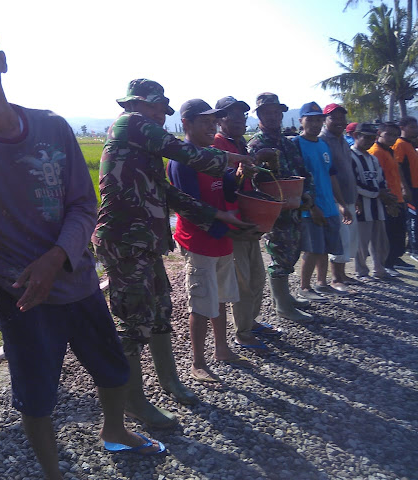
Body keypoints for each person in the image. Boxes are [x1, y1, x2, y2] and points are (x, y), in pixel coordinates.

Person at [0, 15, 164, 480]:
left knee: (112, 370)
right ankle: (53, 473)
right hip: (20, 296)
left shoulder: (51, 127)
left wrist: (57, 257)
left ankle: (115, 431)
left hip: (79, 280)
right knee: (36, 395)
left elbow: (83, 204)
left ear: (1, 60)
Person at [93, 80, 254, 428]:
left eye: (163, 112)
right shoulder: (130, 123)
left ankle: (170, 381)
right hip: (124, 241)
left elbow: (167, 193)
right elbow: (188, 154)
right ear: (141, 104)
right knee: (133, 322)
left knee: (161, 310)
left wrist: (215, 214)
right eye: (157, 109)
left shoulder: (142, 143)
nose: (160, 117)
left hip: (146, 240)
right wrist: (234, 156)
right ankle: (134, 402)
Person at [168, 99, 259, 383]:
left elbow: (228, 193)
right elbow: (192, 209)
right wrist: (230, 229)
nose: (211, 126)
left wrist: (241, 176)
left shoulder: (213, 155)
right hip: (199, 241)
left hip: (222, 239)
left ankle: (222, 349)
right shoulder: (181, 162)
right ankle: (198, 362)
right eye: (204, 122)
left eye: (213, 122)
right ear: (186, 124)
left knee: (220, 297)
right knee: (200, 302)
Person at [212, 96, 279, 352]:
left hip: (248, 218)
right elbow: (222, 185)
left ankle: (251, 322)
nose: (240, 120)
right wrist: (239, 173)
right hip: (233, 222)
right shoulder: (218, 144)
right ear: (220, 120)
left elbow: (247, 180)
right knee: (242, 281)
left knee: (257, 277)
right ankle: (242, 333)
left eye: (243, 115)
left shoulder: (239, 143)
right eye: (233, 116)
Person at [247, 93, 315, 322]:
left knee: (293, 251)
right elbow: (251, 179)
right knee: (279, 255)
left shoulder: (287, 142)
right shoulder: (257, 144)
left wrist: (307, 195)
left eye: (277, 112)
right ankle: (283, 307)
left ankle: (285, 299)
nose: (274, 116)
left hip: (294, 207)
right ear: (259, 115)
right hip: (274, 211)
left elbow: (302, 171)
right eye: (268, 112)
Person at [292, 102, 352, 300]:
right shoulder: (295, 145)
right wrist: (310, 205)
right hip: (310, 208)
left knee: (325, 247)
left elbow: (331, 175)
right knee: (311, 248)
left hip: (329, 206)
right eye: (310, 119)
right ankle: (304, 286)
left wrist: (341, 204)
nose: (315, 124)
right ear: (301, 121)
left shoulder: (323, 144)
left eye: (318, 119)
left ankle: (322, 282)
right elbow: (295, 179)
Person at [319, 104, 359, 290]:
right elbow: (327, 174)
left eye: (342, 118)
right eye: (333, 118)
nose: (339, 122)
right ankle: (335, 279)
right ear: (325, 120)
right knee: (339, 238)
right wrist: (340, 202)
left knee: (349, 238)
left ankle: (342, 274)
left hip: (349, 196)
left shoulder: (343, 139)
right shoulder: (322, 141)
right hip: (335, 199)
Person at [350, 123, 396, 279]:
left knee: (380, 241)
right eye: (366, 137)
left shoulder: (372, 159)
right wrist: (377, 193)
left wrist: (386, 198)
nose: (369, 141)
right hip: (362, 206)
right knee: (362, 242)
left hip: (377, 206)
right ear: (356, 136)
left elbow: (380, 180)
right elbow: (353, 184)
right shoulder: (350, 156)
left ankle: (379, 268)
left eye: (372, 138)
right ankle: (361, 271)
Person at [369, 122, 414, 275]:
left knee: (399, 232)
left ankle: (394, 260)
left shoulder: (390, 151)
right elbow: (377, 179)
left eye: (395, 135)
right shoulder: (375, 152)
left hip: (397, 197)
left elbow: (397, 171)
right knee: (387, 235)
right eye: (388, 134)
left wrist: (403, 188)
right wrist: (387, 200)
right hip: (387, 200)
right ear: (379, 134)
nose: (392, 138)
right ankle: (386, 263)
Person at [394, 116, 418, 263]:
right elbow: (398, 166)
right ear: (402, 128)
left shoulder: (410, 144)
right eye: (412, 127)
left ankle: (412, 246)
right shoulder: (400, 144)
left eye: (416, 127)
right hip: (411, 188)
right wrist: (404, 187)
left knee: (417, 218)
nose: (415, 130)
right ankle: (415, 250)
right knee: (414, 219)